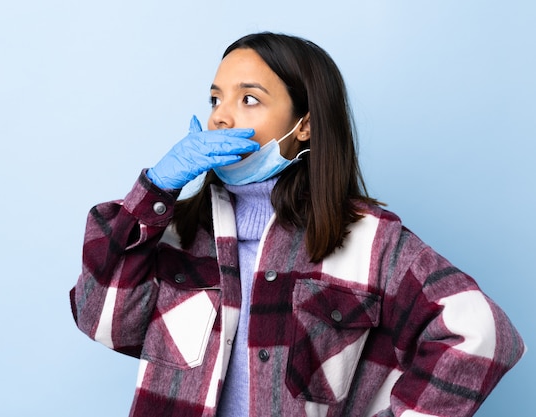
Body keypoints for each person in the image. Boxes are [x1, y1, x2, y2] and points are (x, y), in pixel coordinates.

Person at [69, 32, 524, 417]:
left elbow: (484, 335)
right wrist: (155, 190)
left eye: (249, 99)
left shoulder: (370, 242)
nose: (221, 116)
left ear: (303, 125)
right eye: (215, 99)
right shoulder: (174, 234)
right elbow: (101, 320)